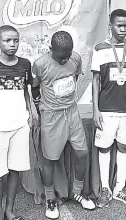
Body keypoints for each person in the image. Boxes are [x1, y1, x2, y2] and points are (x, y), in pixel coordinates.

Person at [31, 31, 95, 219]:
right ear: (51, 50)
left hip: (72, 112)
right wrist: (39, 109)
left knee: (82, 152)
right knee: (50, 159)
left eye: (67, 56)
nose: (64, 60)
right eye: (60, 57)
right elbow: (35, 87)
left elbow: (73, 79)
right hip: (51, 115)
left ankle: (77, 191)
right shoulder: (41, 64)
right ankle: (50, 198)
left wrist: (66, 100)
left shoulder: (75, 58)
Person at [0, 25, 32, 220]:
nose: (12, 44)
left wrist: (30, 114)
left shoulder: (25, 64)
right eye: (8, 40)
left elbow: (26, 90)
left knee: (15, 170)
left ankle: (10, 210)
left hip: (20, 125)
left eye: (16, 40)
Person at [91, 9, 126, 208]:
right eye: (119, 25)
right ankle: (105, 188)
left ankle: (120, 189)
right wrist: (95, 109)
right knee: (104, 147)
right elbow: (95, 80)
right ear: (110, 26)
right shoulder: (100, 48)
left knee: (124, 147)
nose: (123, 29)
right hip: (105, 109)